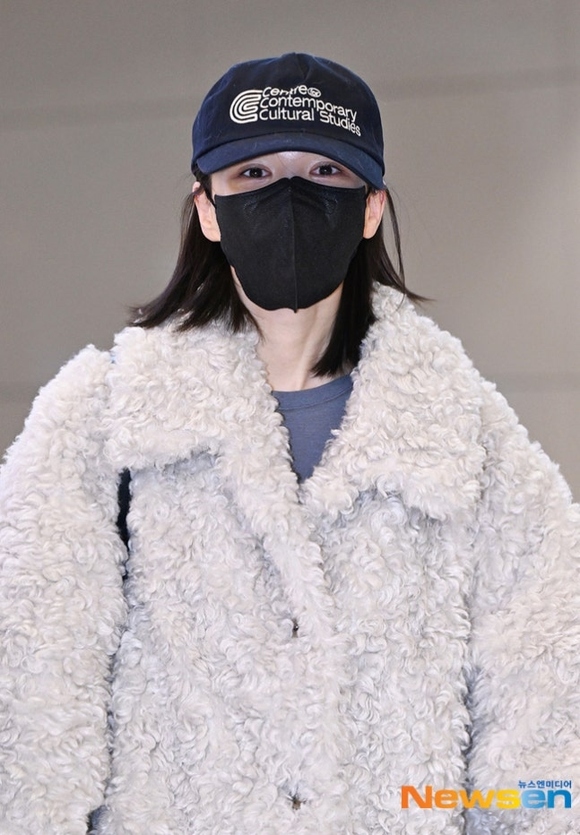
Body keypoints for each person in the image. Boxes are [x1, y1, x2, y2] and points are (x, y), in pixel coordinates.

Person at [0, 52, 579, 835]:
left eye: (324, 172)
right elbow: (29, 706)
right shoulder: (103, 424)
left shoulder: (467, 440)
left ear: (370, 207)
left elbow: (549, 728)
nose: (290, 196)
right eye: (254, 174)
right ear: (208, 208)